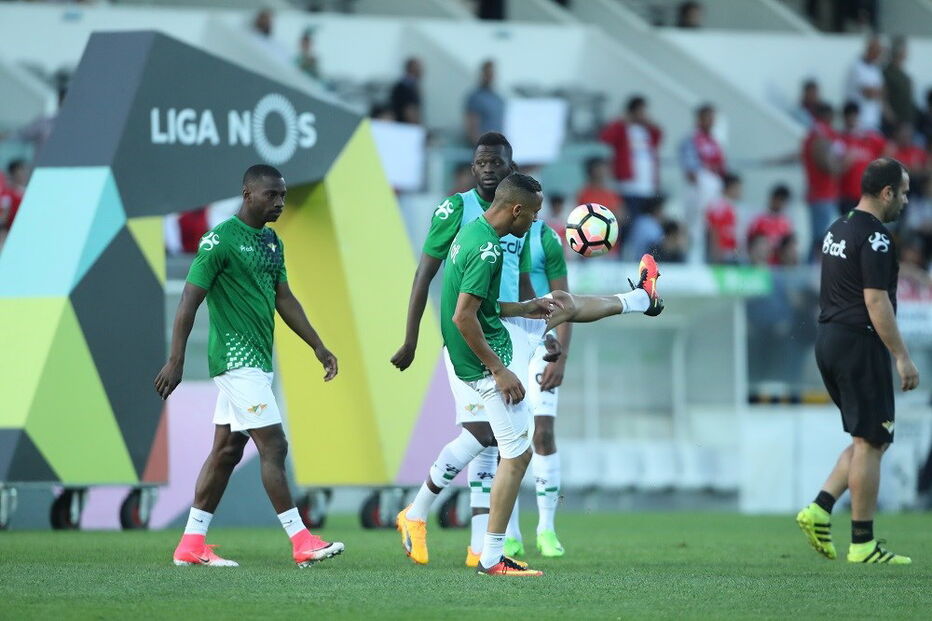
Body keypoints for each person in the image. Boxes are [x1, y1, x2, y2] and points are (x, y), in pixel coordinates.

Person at [409, 172, 663, 576]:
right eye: (534, 214)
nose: (536, 222)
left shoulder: (473, 233)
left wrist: (524, 307)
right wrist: (499, 371)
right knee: (517, 454)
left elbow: (479, 307)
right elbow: (462, 317)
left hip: (488, 337)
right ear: (516, 210)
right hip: (491, 353)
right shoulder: (488, 251)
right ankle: (491, 556)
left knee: (560, 303)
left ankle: (640, 298)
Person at [155, 164, 343, 568]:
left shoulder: (272, 242)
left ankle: (191, 544)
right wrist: (176, 359)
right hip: (236, 360)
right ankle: (301, 540)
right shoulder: (219, 239)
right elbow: (189, 300)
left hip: (257, 362)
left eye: (283, 196)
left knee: (226, 451)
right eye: (271, 195)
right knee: (274, 445)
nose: (279, 202)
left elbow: (284, 298)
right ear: (247, 194)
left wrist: (318, 345)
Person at [390, 132, 534, 567]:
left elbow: (520, 278)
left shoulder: (520, 213)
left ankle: (474, 545)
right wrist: (412, 336)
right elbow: (424, 274)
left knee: (490, 442)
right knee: (485, 435)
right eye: (481, 163)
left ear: (510, 168)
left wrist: (536, 327)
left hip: (509, 329)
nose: (487, 169)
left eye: (496, 162)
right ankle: (420, 515)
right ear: (473, 168)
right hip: (472, 336)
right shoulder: (456, 210)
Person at [796, 157, 918, 565]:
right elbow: (875, 300)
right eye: (902, 193)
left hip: (829, 339)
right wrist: (902, 357)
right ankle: (863, 544)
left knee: (868, 439)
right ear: (886, 193)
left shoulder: (838, 227)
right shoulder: (877, 237)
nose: (905, 201)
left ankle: (820, 508)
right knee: (872, 439)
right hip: (859, 343)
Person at [505, 218, 572, 559]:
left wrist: (561, 358)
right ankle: (510, 534)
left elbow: (566, 302)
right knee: (508, 438)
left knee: (542, 432)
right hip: (507, 339)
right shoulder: (490, 229)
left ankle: (547, 529)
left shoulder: (546, 237)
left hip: (544, 342)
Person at [599, 95, 663, 222]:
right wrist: (621, 121)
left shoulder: (647, 130)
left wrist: (649, 123)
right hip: (628, 186)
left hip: (647, 186)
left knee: (645, 221)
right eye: (640, 111)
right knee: (629, 221)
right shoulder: (622, 128)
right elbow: (605, 137)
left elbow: (658, 136)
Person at [679, 103, 726, 262]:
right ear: (699, 119)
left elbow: (721, 165)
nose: (711, 121)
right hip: (699, 187)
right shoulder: (692, 139)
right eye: (708, 118)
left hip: (712, 187)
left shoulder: (714, 140)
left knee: (711, 225)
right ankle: (692, 260)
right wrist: (705, 173)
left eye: (713, 118)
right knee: (695, 226)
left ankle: (706, 259)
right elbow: (690, 170)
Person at [802, 102, 845, 257]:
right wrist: (845, 164)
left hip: (821, 193)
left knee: (820, 237)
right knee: (820, 238)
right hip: (822, 194)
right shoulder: (820, 136)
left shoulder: (813, 134)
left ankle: (813, 265)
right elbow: (826, 165)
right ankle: (813, 267)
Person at [839, 101, 887, 215]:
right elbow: (837, 168)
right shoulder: (840, 139)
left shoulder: (870, 138)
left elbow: (888, 149)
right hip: (847, 196)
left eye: (854, 116)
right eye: (849, 116)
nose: (852, 119)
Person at [844, 35, 885, 131]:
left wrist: (877, 91)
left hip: (873, 120)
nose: (879, 54)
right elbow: (869, 93)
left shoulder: (875, 69)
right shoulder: (856, 66)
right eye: (877, 51)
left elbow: (884, 92)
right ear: (869, 49)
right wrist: (877, 91)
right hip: (859, 121)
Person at [747, 184, 794, 265]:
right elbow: (750, 242)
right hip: (761, 264)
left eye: (784, 202)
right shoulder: (759, 220)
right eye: (779, 200)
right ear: (773, 198)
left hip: (779, 265)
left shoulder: (786, 223)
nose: (781, 204)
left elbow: (787, 244)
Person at [464, 60, 505, 145]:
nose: (490, 76)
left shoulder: (498, 99)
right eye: (487, 73)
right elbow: (471, 127)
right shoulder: (475, 98)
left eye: (492, 73)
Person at [705, 172, 740, 264]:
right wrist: (716, 253)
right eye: (738, 188)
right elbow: (714, 230)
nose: (740, 192)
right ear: (730, 187)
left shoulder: (732, 206)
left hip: (731, 253)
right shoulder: (718, 206)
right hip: (720, 255)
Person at [883, 36, 915, 132]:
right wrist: (888, 112)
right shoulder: (887, 72)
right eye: (905, 49)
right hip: (894, 120)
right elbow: (883, 95)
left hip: (906, 118)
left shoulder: (904, 75)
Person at [390, 57, 423, 125]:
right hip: (404, 126)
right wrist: (417, 126)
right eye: (418, 67)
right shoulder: (405, 87)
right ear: (411, 68)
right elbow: (409, 111)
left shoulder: (412, 86)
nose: (421, 70)